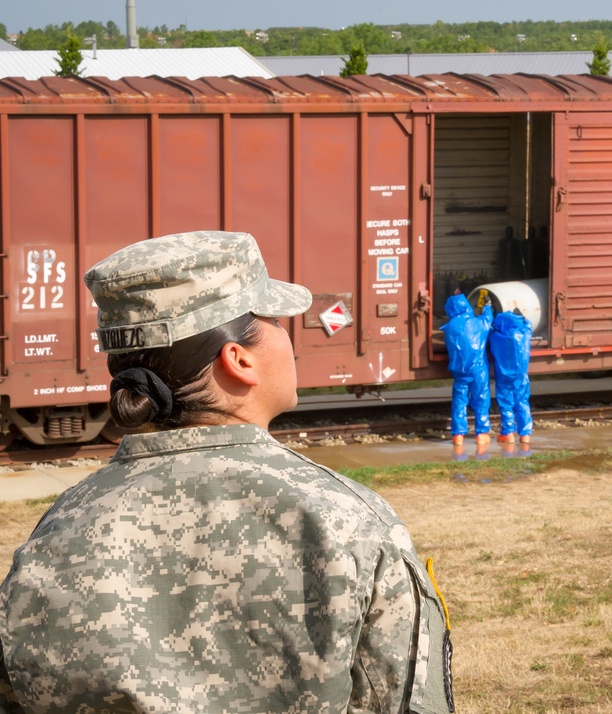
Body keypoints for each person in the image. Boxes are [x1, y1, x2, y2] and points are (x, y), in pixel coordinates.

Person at [0, 231, 454, 714]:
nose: (286, 335)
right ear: (238, 360)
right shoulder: (349, 521)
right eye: (273, 320)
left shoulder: (54, 532)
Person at [441, 290, 493, 446]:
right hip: (478, 370)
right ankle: (482, 434)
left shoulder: (449, 327)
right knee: (481, 400)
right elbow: (488, 320)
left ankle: (458, 435)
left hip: (459, 371)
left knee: (459, 402)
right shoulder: (478, 323)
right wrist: (487, 306)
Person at [488, 309, 533, 445]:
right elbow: (529, 325)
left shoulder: (496, 336)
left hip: (503, 376)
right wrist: (524, 318)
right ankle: (525, 435)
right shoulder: (524, 333)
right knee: (522, 403)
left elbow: (488, 330)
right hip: (520, 376)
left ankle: (508, 433)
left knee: (506, 404)